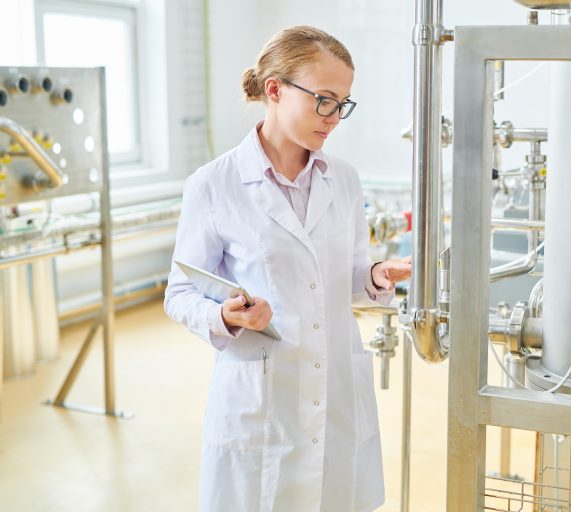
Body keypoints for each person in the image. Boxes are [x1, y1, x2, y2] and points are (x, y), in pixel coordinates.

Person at [164, 25, 411, 512]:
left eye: (343, 103)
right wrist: (227, 316)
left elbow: (349, 275)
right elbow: (180, 294)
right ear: (274, 90)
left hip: (336, 384)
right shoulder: (213, 185)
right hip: (263, 394)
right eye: (324, 100)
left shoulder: (344, 178)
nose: (335, 117)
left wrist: (377, 276)